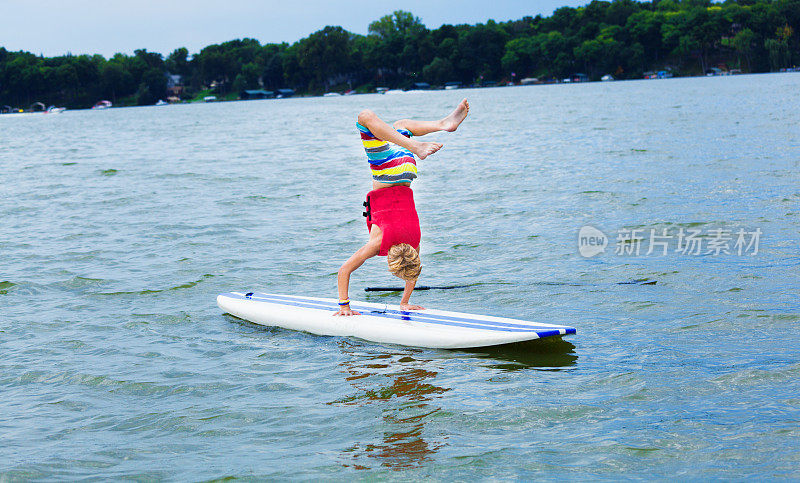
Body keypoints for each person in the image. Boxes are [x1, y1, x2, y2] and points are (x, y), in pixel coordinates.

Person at [335, 99, 470, 316]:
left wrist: (405, 302)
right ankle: (425, 138)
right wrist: (344, 306)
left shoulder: (414, 242)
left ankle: (444, 124)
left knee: (400, 126)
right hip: (386, 169)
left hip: (407, 168)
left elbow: (414, 271)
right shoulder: (379, 244)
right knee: (365, 117)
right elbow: (344, 271)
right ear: (389, 259)